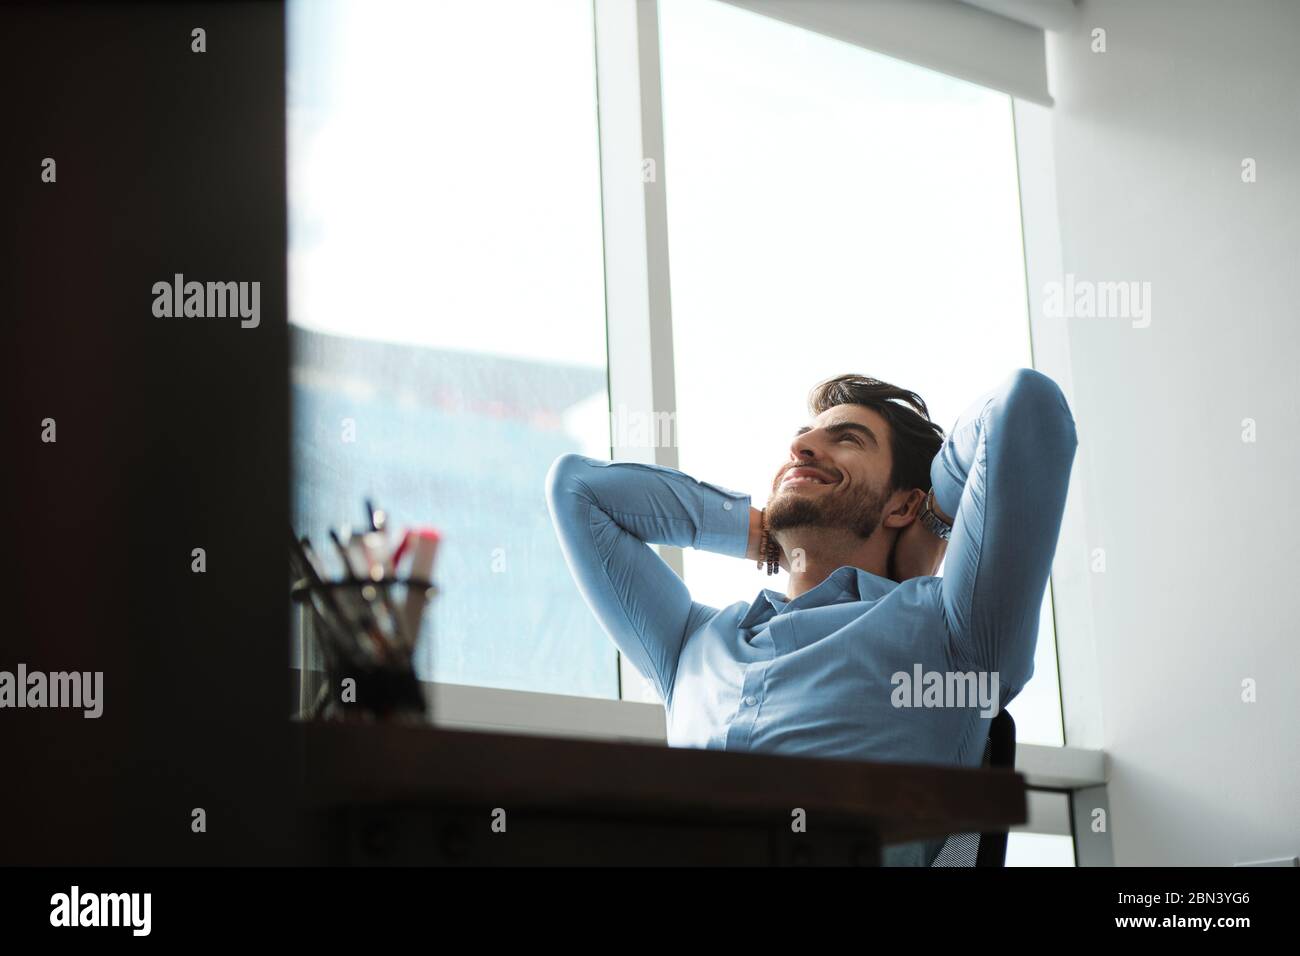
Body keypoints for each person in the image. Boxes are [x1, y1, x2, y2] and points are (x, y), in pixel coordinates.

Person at [544, 368, 1078, 865]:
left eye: (847, 440)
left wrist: (934, 520)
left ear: (901, 506)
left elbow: (1025, 408)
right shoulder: (692, 644)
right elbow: (577, 489)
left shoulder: (950, 633)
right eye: (804, 439)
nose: (801, 448)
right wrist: (761, 534)